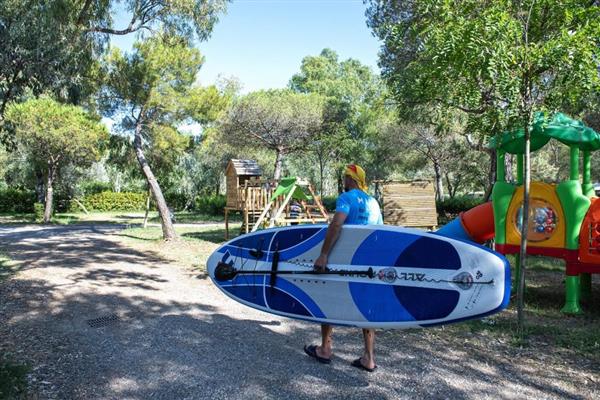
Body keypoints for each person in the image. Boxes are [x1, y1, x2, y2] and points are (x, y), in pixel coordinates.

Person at [303, 164, 383, 372]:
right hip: (367, 262)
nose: (343, 180)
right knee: (366, 306)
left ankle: (325, 349)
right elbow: (379, 233)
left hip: (343, 260)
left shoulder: (346, 198)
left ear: (351, 179)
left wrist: (323, 254)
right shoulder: (374, 202)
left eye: (345, 177)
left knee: (329, 299)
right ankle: (369, 358)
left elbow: (337, 224)